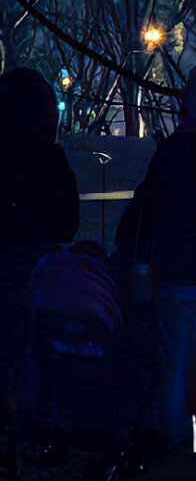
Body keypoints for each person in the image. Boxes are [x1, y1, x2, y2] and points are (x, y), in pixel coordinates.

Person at [115, 59, 196, 453]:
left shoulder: (171, 153)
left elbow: (150, 209)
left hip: (175, 276)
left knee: (175, 362)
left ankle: (175, 440)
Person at [0, 66, 80, 424]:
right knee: (35, 350)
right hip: (42, 272)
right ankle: (34, 419)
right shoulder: (50, 159)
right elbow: (68, 223)